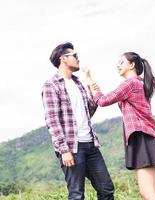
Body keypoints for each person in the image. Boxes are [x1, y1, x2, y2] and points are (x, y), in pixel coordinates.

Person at [86, 52, 155, 200]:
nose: (118, 66)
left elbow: (103, 100)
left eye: (121, 62)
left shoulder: (130, 83)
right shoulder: (140, 83)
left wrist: (89, 79)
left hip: (140, 138)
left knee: (148, 193)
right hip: (149, 137)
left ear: (132, 65)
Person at [41, 42, 114, 200]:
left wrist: (91, 90)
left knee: (106, 189)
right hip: (72, 147)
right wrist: (64, 149)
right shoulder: (51, 85)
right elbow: (52, 120)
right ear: (63, 59)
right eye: (75, 55)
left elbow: (88, 112)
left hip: (91, 144)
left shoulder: (78, 83)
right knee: (76, 194)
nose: (78, 59)